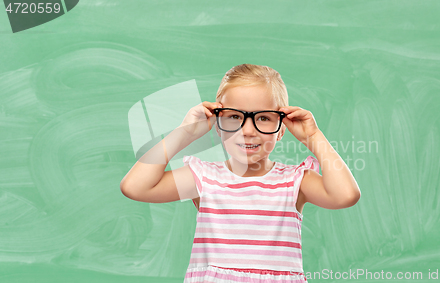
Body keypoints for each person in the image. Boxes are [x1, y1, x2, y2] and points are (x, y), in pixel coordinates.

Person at [120, 64, 361, 282]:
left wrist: (313, 137)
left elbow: (345, 195)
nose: (248, 131)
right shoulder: (204, 178)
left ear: (281, 129)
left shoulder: (295, 181)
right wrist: (184, 133)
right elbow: (136, 187)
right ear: (217, 125)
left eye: (264, 118)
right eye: (235, 117)